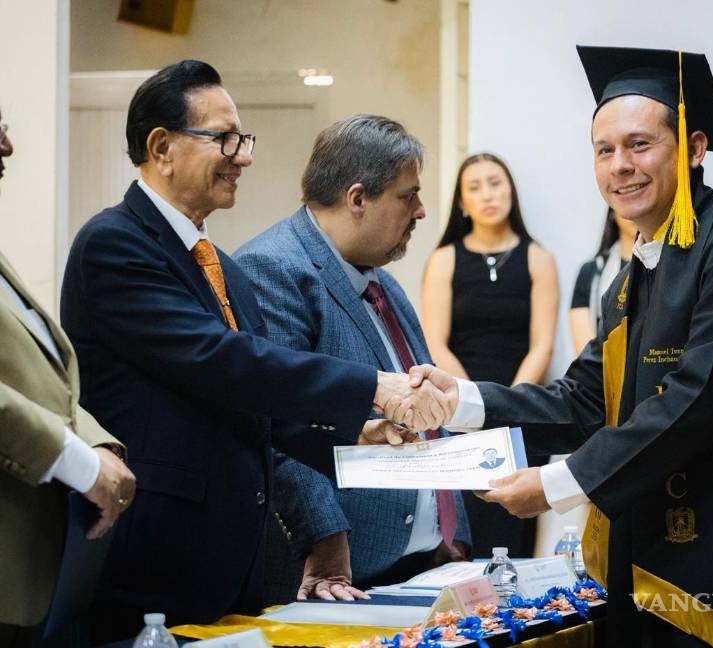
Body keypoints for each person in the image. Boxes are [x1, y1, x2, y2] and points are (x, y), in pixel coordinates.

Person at [409, 47, 713, 647]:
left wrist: (560, 483)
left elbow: (696, 401)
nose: (620, 166)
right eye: (604, 150)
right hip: (671, 554)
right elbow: (584, 398)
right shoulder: (632, 280)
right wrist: (459, 400)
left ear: (693, 149)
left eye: (639, 145)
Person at [58, 61, 450, 643]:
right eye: (224, 139)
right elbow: (219, 361)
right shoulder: (114, 243)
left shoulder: (223, 268)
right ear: (161, 147)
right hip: (153, 554)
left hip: (231, 561)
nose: (242, 157)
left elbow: (249, 406)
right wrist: (372, 386)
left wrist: (352, 433)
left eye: (244, 140)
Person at [233, 114, 471, 603]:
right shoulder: (272, 268)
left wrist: (452, 531)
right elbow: (276, 427)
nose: (421, 211)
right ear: (358, 198)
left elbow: (427, 414)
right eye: (408, 195)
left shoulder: (384, 281)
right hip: (337, 576)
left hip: (422, 566)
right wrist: (324, 537)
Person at [0, 104, 135, 646]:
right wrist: (76, 460)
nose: (8, 146)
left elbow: (38, 372)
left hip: (31, 576)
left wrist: (97, 443)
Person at [421, 152, 558, 559]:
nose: (487, 194)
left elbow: (543, 345)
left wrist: (509, 405)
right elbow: (435, 342)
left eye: (496, 183)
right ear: (462, 203)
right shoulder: (444, 259)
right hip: (459, 413)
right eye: (475, 187)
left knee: (516, 534)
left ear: (511, 192)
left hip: (523, 411)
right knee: (466, 536)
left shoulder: (539, 258)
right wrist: (472, 404)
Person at [569, 207, 636, 354]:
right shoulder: (592, 272)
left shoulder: (671, 267)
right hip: (602, 365)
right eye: (626, 196)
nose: (636, 211)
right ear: (612, 212)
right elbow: (585, 349)